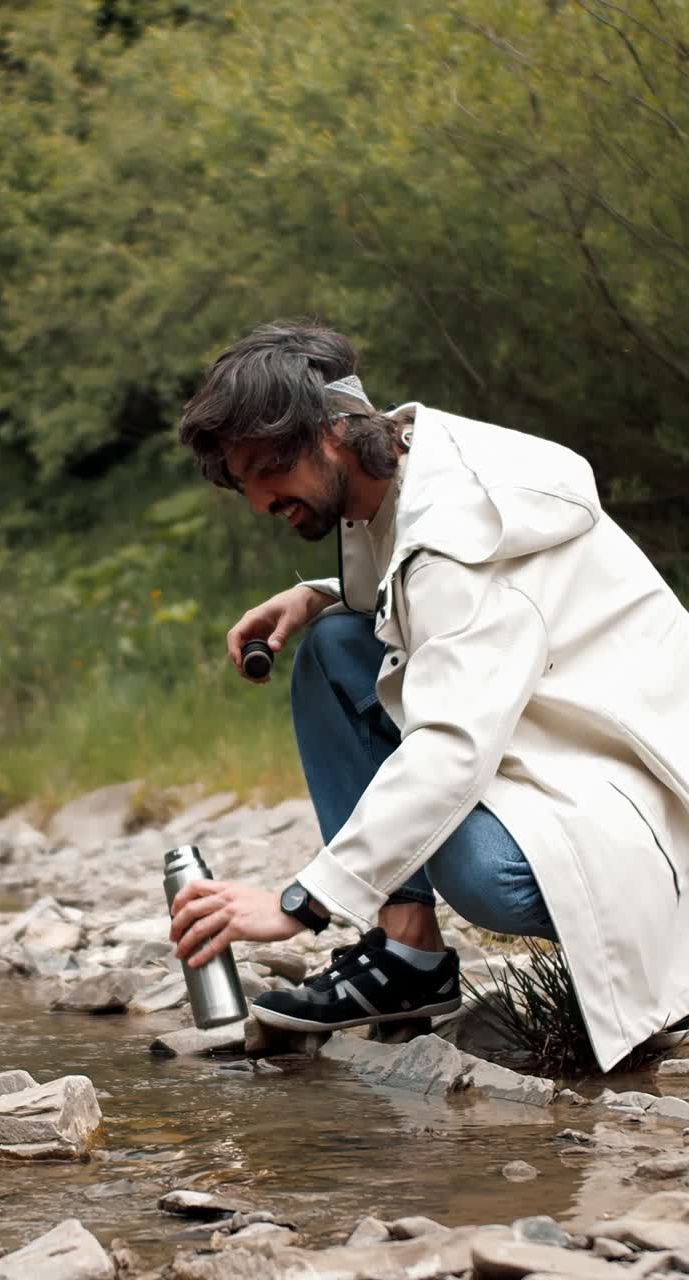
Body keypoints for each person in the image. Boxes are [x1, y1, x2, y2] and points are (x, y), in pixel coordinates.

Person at [170, 321, 689, 1072]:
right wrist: (318, 595)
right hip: (575, 751)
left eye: (262, 471)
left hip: (653, 804)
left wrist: (301, 903)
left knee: (479, 867)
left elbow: (451, 747)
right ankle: (406, 959)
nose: (256, 501)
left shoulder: (461, 531)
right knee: (338, 650)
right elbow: (428, 603)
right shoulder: (416, 466)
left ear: (329, 433)